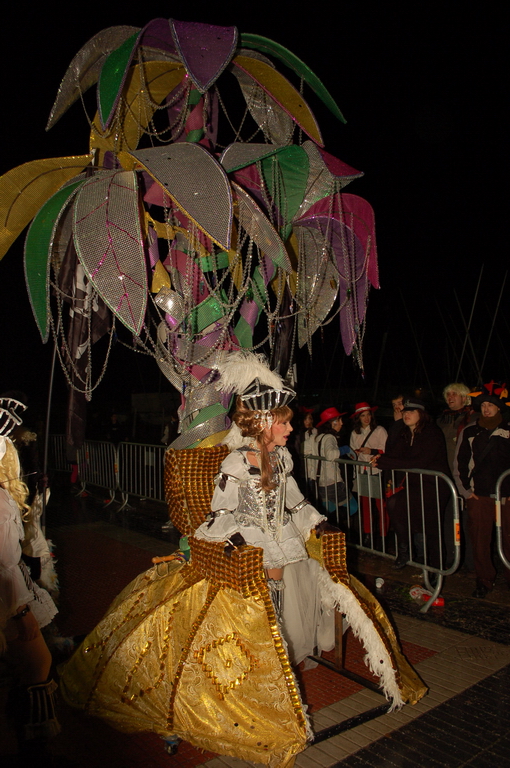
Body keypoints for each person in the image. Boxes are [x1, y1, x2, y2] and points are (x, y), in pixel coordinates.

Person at [59, 353, 426, 766]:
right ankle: (262, 672)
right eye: (284, 422)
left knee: (292, 592)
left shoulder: (284, 458)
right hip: (249, 544)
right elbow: (221, 512)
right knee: (262, 602)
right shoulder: (235, 462)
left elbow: (296, 502)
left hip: (283, 541)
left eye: (289, 422)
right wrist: (234, 542)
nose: (291, 428)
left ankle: (284, 658)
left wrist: (318, 525)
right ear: (264, 424)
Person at [0, 401, 59, 747]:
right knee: (39, 667)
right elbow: (5, 566)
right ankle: (35, 744)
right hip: (8, 601)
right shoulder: (2, 501)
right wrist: (22, 612)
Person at [375, 399, 450, 570]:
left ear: (421, 415)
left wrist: (385, 462)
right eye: (405, 412)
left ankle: (436, 570)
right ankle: (404, 549)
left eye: (412, 412)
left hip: (435, 486)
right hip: (416, 486)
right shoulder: (405, 433)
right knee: (394, 503)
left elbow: (419, 461)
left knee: (432, 531)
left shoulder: (432, 432)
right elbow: (394, 453)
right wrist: (380, 459)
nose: (406, 414)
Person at [454, 382, 510, 598]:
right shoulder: (470, 431)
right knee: (480, 539)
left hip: (507, 496)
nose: (486, 409)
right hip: (480, 495)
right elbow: (459, 463)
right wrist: (466, 491)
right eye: (484, 405)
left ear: (499, 408)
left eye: (491, 405)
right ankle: (484, 580)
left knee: (509, 538)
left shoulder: (508, 429)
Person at [437, 383, 474, 568]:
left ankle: (469, 560)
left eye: (454, 394)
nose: (450, 397)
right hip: (445, 475)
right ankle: (452, 557)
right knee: (448, 518)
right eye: (448, 395)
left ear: (464, 397)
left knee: (467, 518)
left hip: (465, 476)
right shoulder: (442, 419)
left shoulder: (472, 417)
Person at [350, 402, 388, 545]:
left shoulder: (380, 430)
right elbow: (352, 453)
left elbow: (386, 451)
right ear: (358, 418)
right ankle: (368, 534)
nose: (366, 418)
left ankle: (383, 535)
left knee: (381, 505)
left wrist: (371, 451)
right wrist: (354, 454)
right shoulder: (355, 433)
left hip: (377, 471)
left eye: (368, 415)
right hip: (362, 472)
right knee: (365, 505)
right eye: (363, 415)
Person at [304, 407, 352, 519]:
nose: (342, 423)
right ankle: (338, 527)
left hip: (320, 481)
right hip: (333, 481)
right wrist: (345, 449)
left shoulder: (317, 437)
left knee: (329, 511)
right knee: (352, 507)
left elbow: (305, 450)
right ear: (332, 423)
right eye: (339, 420)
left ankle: (332, 527)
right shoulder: (330, 437)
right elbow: (331, 454)